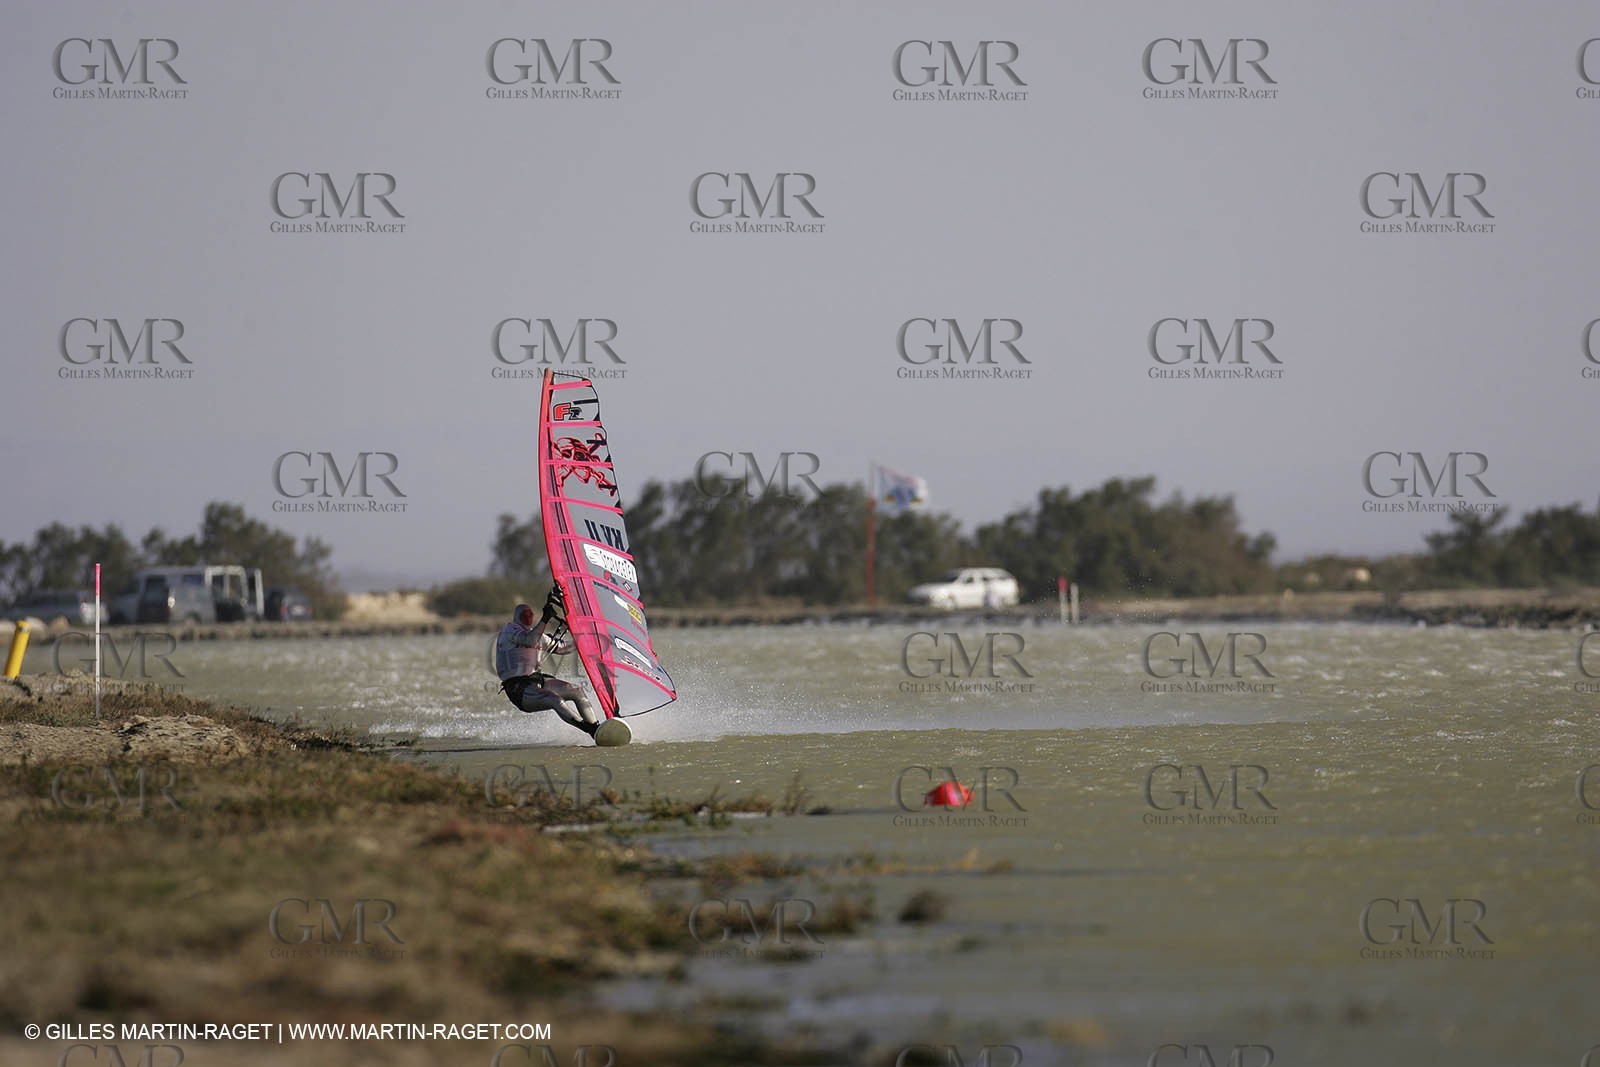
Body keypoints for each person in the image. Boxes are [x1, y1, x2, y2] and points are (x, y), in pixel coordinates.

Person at [495, 587, 601, 738]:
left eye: (530, 614)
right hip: (519, 690)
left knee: (576, 691)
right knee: (554, 699)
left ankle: (596, 728)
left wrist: (583, 636)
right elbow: (529, 640)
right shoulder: (509, 630)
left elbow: (563, 648)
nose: (528, 617)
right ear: (517, 617)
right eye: (525, 615)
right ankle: (590, 730)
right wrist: (545, 618)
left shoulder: (538, 634)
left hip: (536, 681)